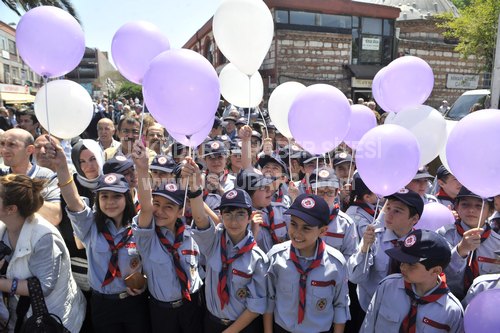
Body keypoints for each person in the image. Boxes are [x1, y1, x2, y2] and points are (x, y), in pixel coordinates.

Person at [49, 139, 150, 332]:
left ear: (126, 199)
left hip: (134, 302)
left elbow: (147, 208)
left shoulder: (137, 227)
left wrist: (143, 170)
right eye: (104, 196)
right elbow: (73, 200)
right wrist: (62, 167)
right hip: (103, 304)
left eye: (116, 196)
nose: (110, 202)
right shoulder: (90, 226)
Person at [183, 159, 268, 333]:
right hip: (212, 322)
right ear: (220, 216)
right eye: (228, 214)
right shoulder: (214, 242)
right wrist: (194, 189)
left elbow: (255, 306)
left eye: (240, 214)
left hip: (242, 327)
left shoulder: (258, 258)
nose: (233, 221)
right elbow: (200, 219)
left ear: (250, 216)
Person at [132, 141, 204, 333]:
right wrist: (142, 169)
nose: (160, 211)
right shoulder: (147, 237)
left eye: (169, 207)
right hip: (162, 311)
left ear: (180, 211)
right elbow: (146, 207)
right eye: (157, 203)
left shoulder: (191, 234)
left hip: (193, 305)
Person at [0, 174, 85, 332]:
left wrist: (2, 284)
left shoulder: (44, 237)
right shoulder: (4, 226)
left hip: (54, 321)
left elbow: (44, 287)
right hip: (20, 316)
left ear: (11, 209)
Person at [266, 193, 350, 333]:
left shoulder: (336, 264)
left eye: (306, 228)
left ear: (323, 231)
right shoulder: (276, 257)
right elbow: (270, 299)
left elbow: (340, 306)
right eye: (293, 224)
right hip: (283, 329)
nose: (297, 233)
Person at [360, 229, 464, 333]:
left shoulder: (452, 311)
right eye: (402, 260)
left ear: (435, 270)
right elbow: (368, 326)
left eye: (411, 264)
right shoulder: (388, 287)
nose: (403, 267)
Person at [348, 189, 424, 312]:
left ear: (414, 219)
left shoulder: (420, 244)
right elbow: (355, 278)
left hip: (403, 313)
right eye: (388, 208)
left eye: (397, 211)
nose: (389, 215)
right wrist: (364, 248)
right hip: (369, 308)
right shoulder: (374, 238)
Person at [436, 186, 499, 300]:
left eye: (479, 206)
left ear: (490, 211)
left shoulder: (497, 243)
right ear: (457, 207)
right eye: (465, 204)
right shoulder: (442, 235)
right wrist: (460, 251)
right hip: (446, 304)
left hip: (485, 305)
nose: (471, 210)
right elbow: (436, 274)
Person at [0, 128, 62, 225]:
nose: (4, 150)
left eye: (11, 145)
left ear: (29, 150)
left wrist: (18, 193)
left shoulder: (46, 176)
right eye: (2, 144)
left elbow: (55, 217)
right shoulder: (1, 175)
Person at [309, 167, 358, 262]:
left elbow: (350, 257)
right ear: (311, 191)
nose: (324, 197)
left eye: (330, 192)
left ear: (336, 192)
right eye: (320, 192)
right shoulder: (301, 218)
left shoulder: (346, 224)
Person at [346, 172, 380, 238]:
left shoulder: (375, 206)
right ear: (367, 197)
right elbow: (374, 241)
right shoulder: (355, 215)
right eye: (377, 189)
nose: (381, 190)